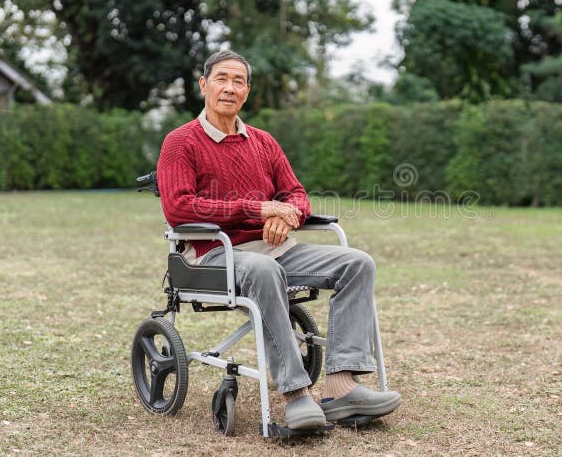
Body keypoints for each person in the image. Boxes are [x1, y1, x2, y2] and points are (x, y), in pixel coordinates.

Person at [156, 50, 401, 430]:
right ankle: (295, 394)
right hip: (215, 255)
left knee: (357, 262)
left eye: (239, 81)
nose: (230, 88)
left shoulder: (264, 142)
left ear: (247, 91)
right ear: (204, 85)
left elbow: (296, 194)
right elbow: (179, 207)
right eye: (221, 78)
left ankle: (341, 387)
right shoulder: (180, 142)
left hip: (276, 249)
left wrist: (287, 217)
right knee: (265, 268)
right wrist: (258, 210)